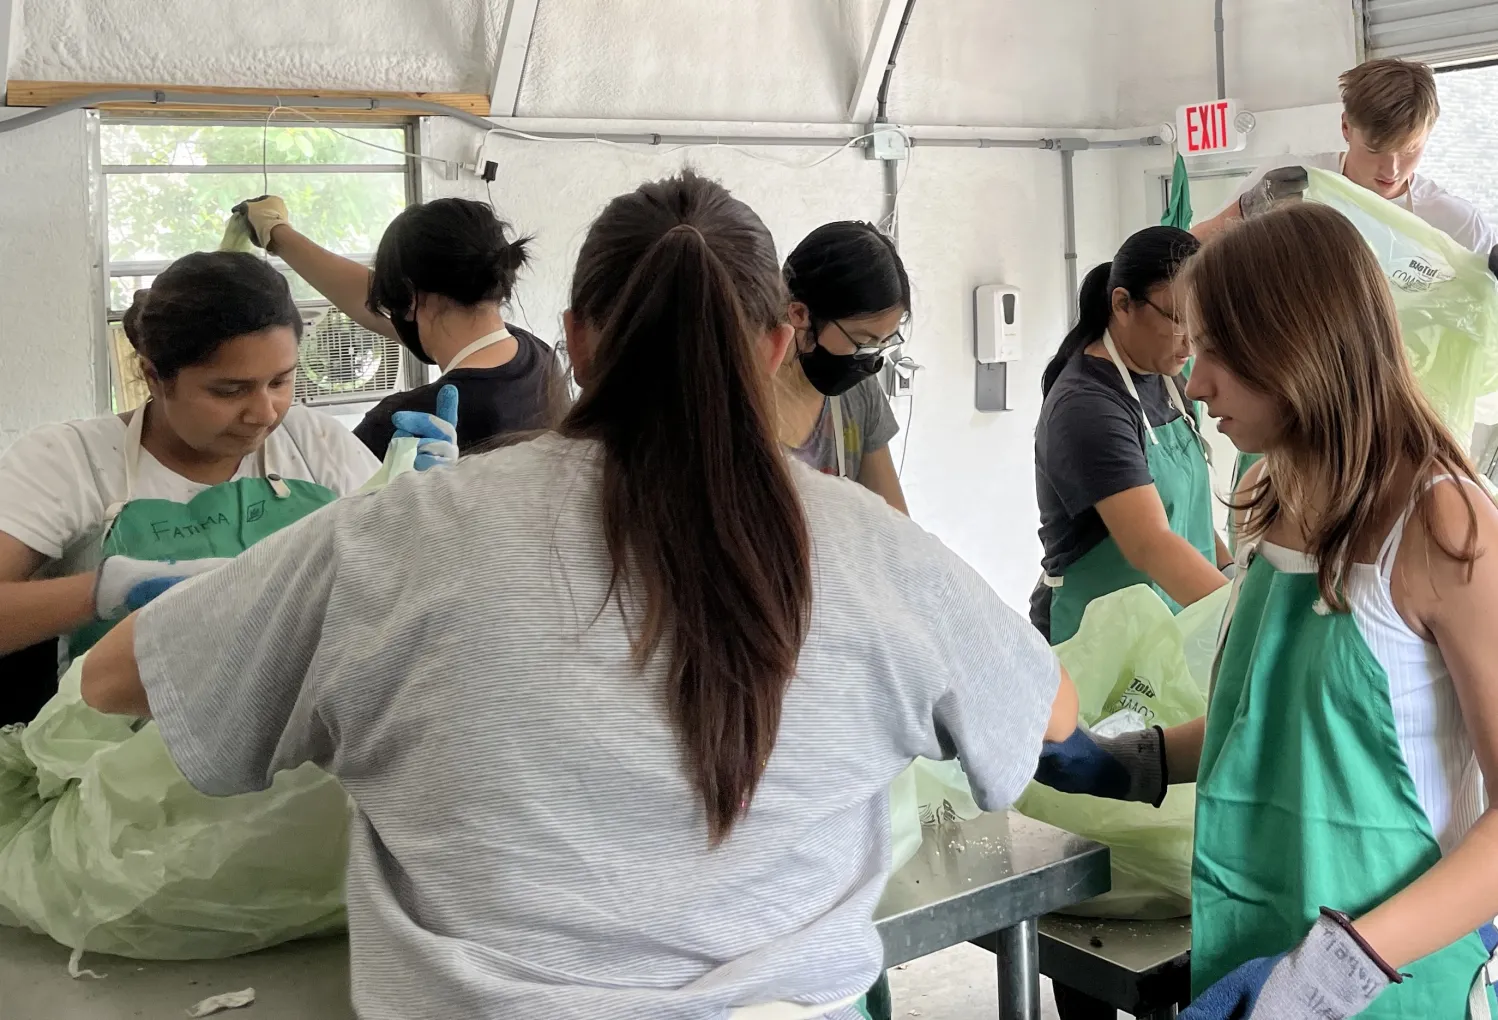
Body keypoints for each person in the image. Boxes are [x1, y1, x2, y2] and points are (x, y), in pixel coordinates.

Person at [79, 171, 1078, 1020]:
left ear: (574, 339)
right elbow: (1044, 708)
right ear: (778, 344)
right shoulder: (868, 549)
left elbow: (117, 680)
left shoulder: (403, 530)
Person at [1037, 203, 1498, 1019]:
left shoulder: (1443, 525)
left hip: (1393, 982)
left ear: (1302, 344)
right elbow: (1269, 730)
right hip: (1253, 948)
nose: (1194, 379)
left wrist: (1334, 974)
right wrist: (1128, 761)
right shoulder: (1271, 495)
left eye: (1217, 348)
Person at [0, 252, 385, 722]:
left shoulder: (311, 442)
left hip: (299, 740)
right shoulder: (71, 460)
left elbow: (400, 577)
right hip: (128, 758)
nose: (264, 413)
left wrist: (427, 497)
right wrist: (104, 592)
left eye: (281, 381)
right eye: (229, 390)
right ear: (153, 376)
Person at [234, 194, 569, 458]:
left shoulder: (406, 425)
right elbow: (376, 300)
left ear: (408, 298)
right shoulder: (539, 359)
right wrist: (278, 234)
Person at [1031, 226, 1229, 646]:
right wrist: (1241, 623)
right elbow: (1150, 543)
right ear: (1122, 304)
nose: (1191, 343)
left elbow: (1184, 516)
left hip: (1176, 621)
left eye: (1201, 324)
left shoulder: (1170, 377)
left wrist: (1231, 575)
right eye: (1179, 321)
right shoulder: (1087, 405)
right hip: (1102, 643)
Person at [1193, 58, 1496, 255]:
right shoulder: (1291, 183)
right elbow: (1193, 248)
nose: (1391, 169)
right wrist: (1248, 210)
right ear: (1346, 128)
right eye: (1375, 150)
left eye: (1409, 150)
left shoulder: (1454, 224)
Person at [777, 221, 909, 513]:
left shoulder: (860, 395)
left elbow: (894, 521)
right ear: (800, 314)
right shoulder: (742, 397)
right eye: (862, 341)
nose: (871, 359)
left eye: (884, 342)